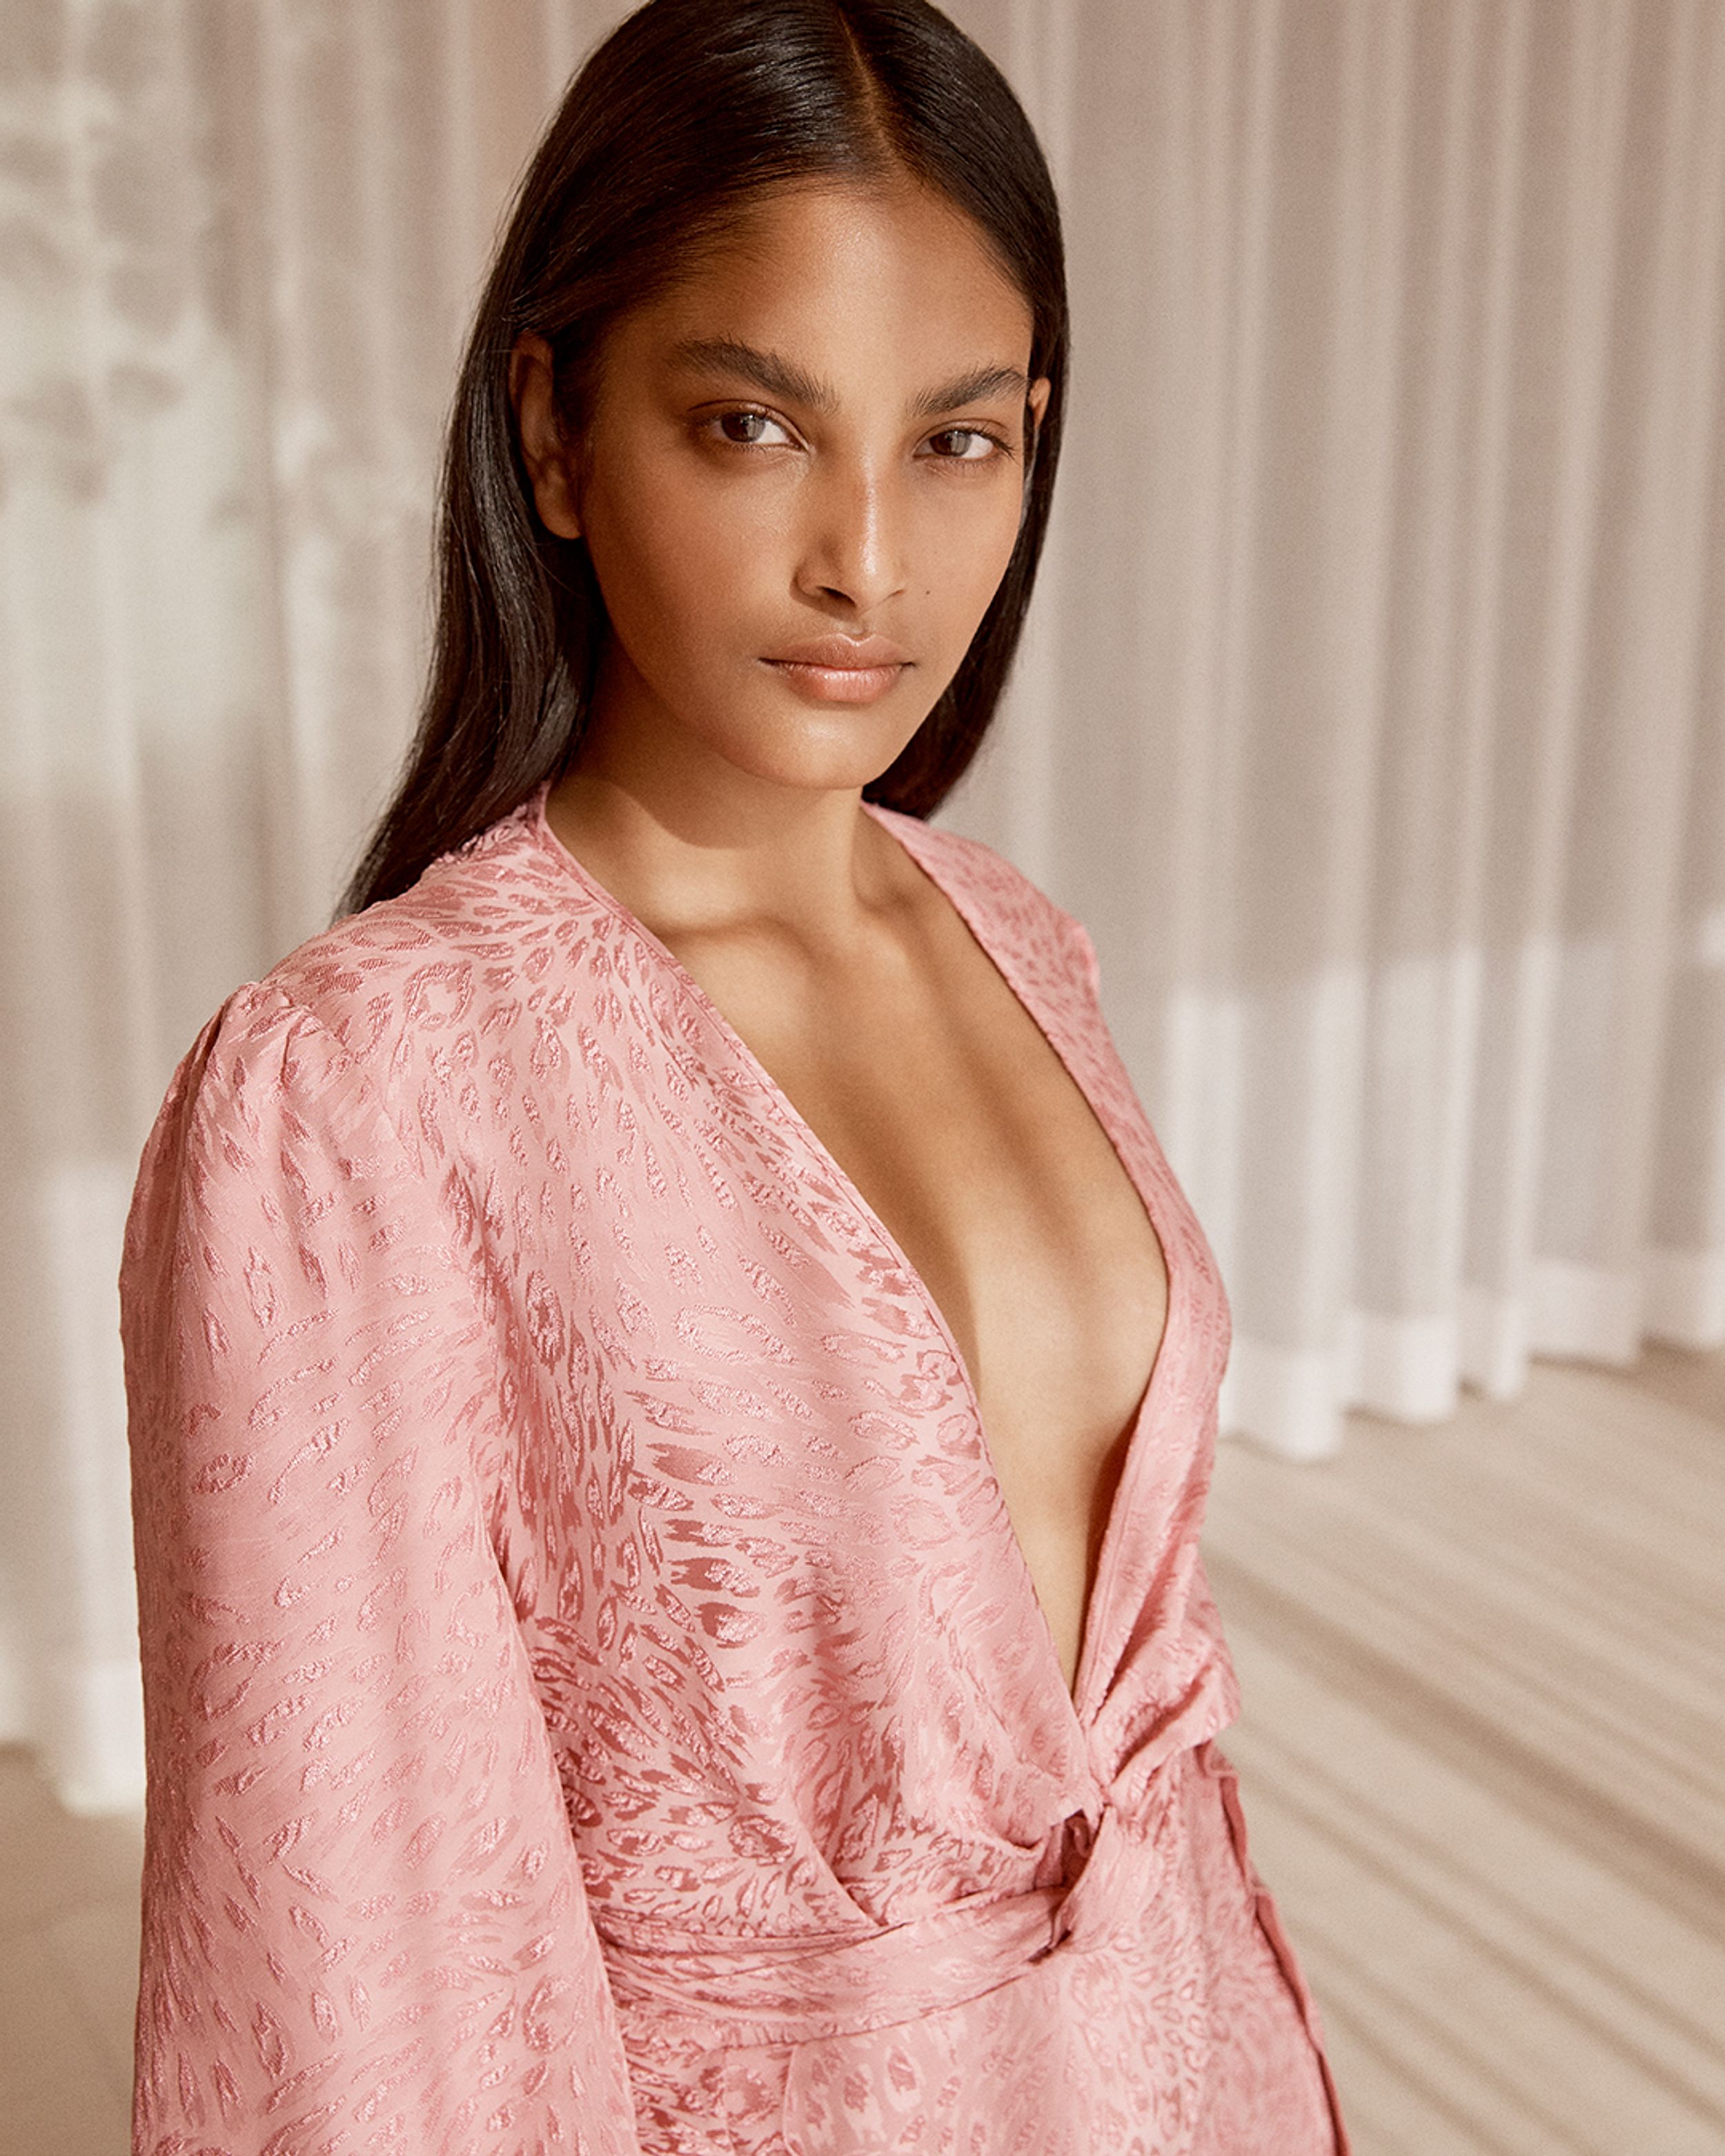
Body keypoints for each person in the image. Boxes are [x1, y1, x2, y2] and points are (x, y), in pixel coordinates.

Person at [119, 3, 1348, 2150]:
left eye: (956, 441)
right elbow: (355, 1996)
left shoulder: (1018, 938)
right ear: (556, 435)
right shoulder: (358, 1099)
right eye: (753, 426)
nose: (867, 558)